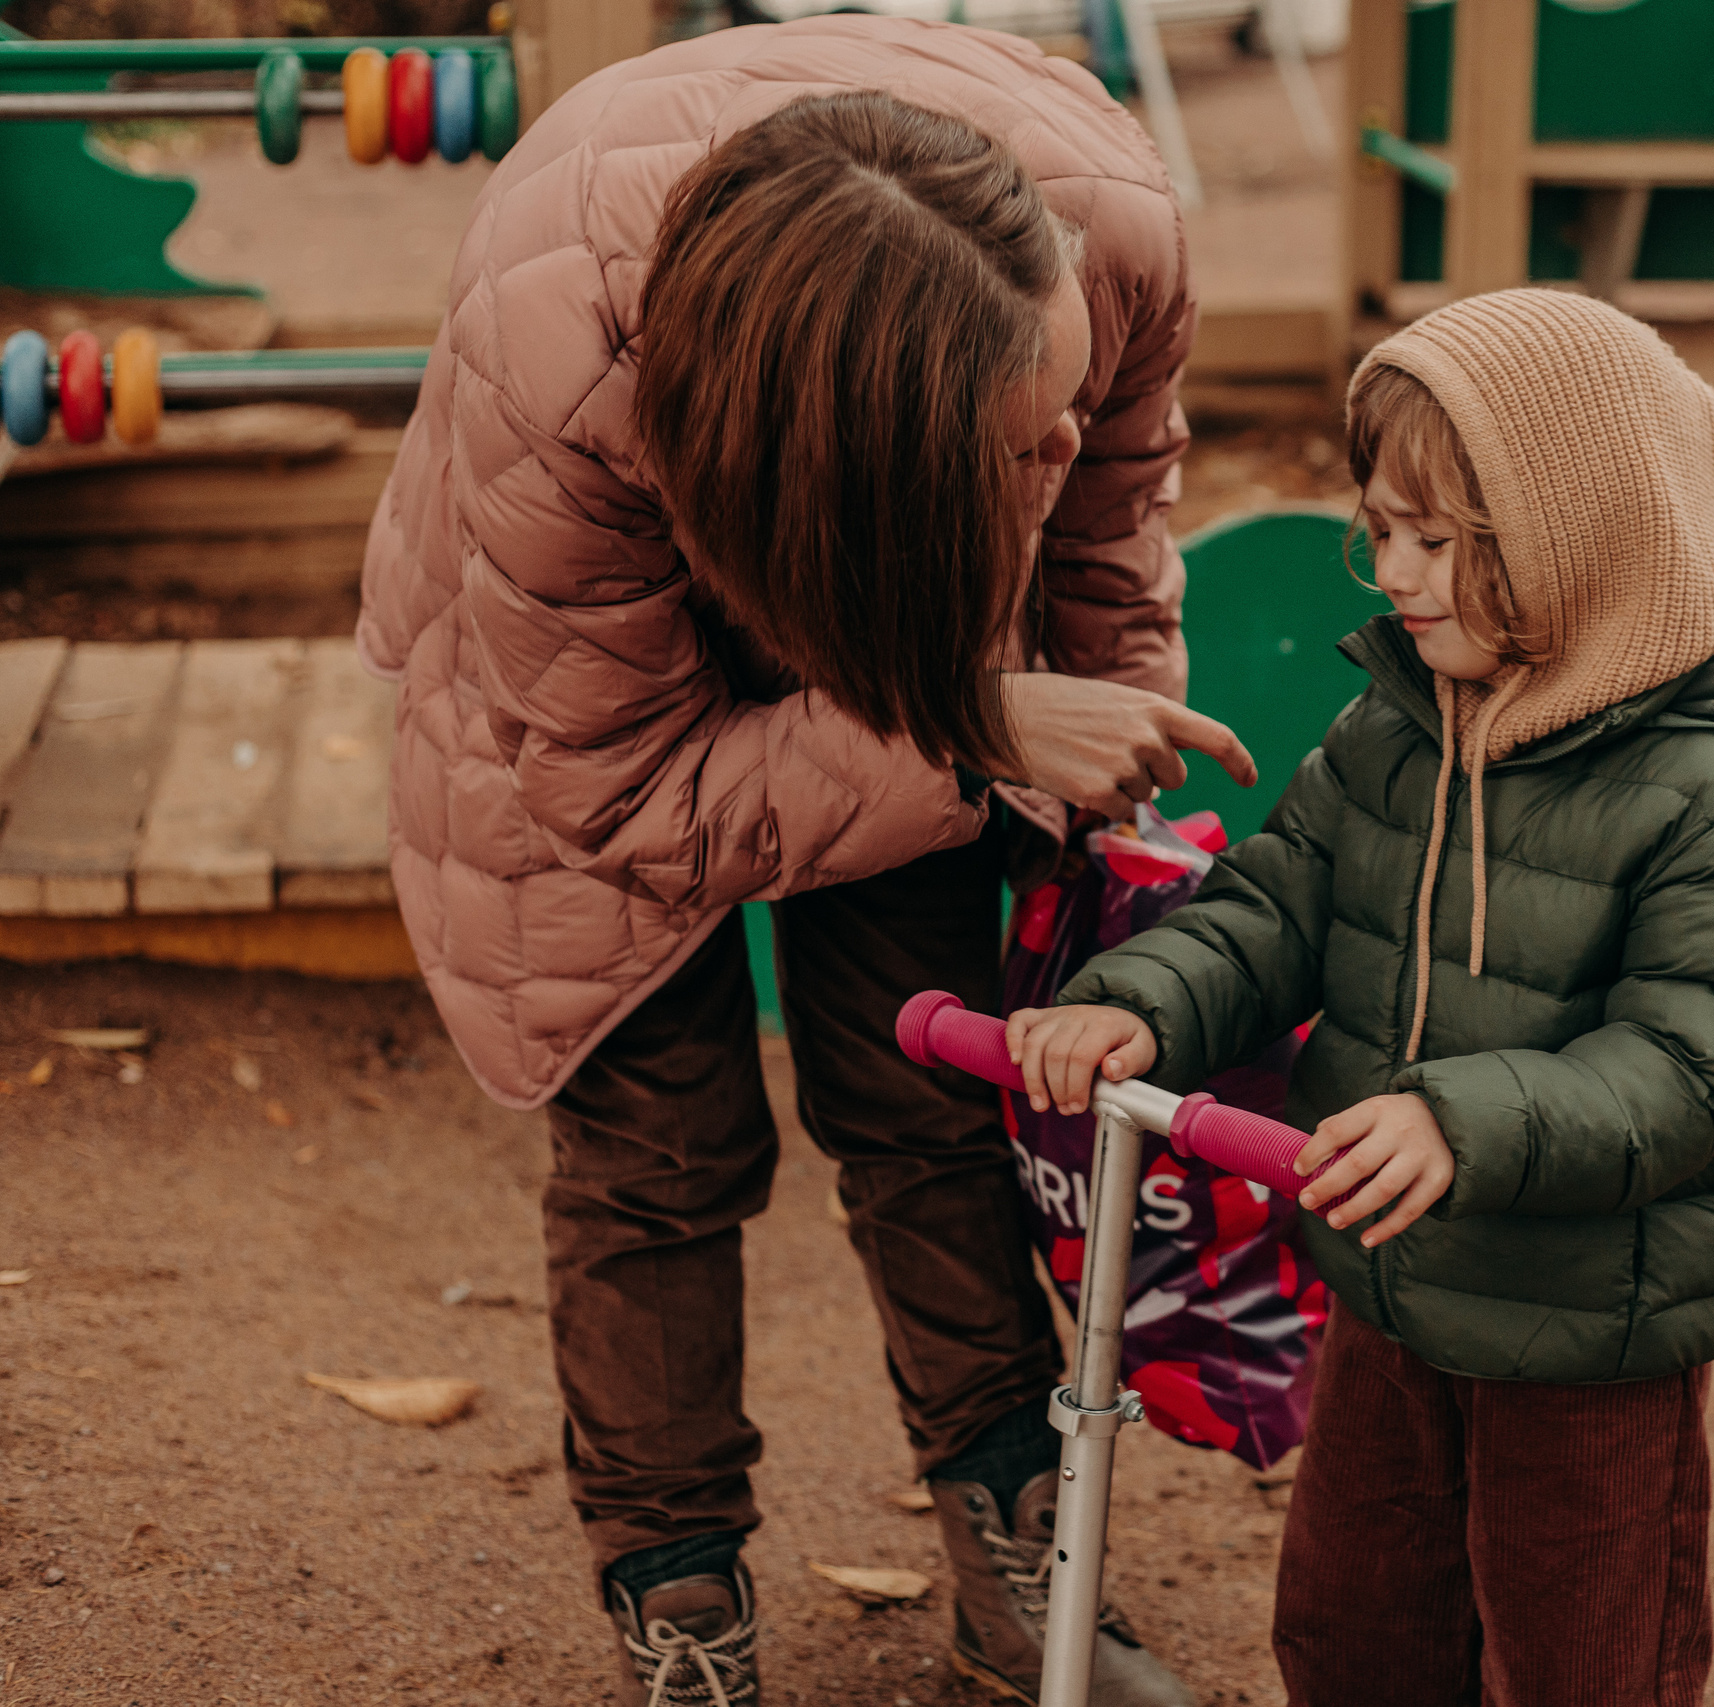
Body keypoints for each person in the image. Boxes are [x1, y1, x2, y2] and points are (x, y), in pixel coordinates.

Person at [357, 18, 1251, 1705]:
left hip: (921, 647)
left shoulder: (1113, 237)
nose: (1056, 457)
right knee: (656, 1152)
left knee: (932, 1101)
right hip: (574, 713)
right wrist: (971, 721)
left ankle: (1019, 1554)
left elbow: (1108, 543)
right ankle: (678, 1597)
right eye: (1014, 443)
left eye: (1061, 397)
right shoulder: (565, 386)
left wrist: (1105, 823)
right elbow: (621, 794)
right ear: (870, 451)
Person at [1006, 288, 1714, 1706]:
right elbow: (1277, 909)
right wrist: (1142, 998)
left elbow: (1693, 1071)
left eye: (1438, 541)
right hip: (1386, 1289)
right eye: (1379, 530)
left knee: (1584, 1659)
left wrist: (1460, 1122)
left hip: (1586, 1327)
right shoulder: (1397, 730)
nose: (1393, 571)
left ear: (1580, 543)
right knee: (1353, 1628)